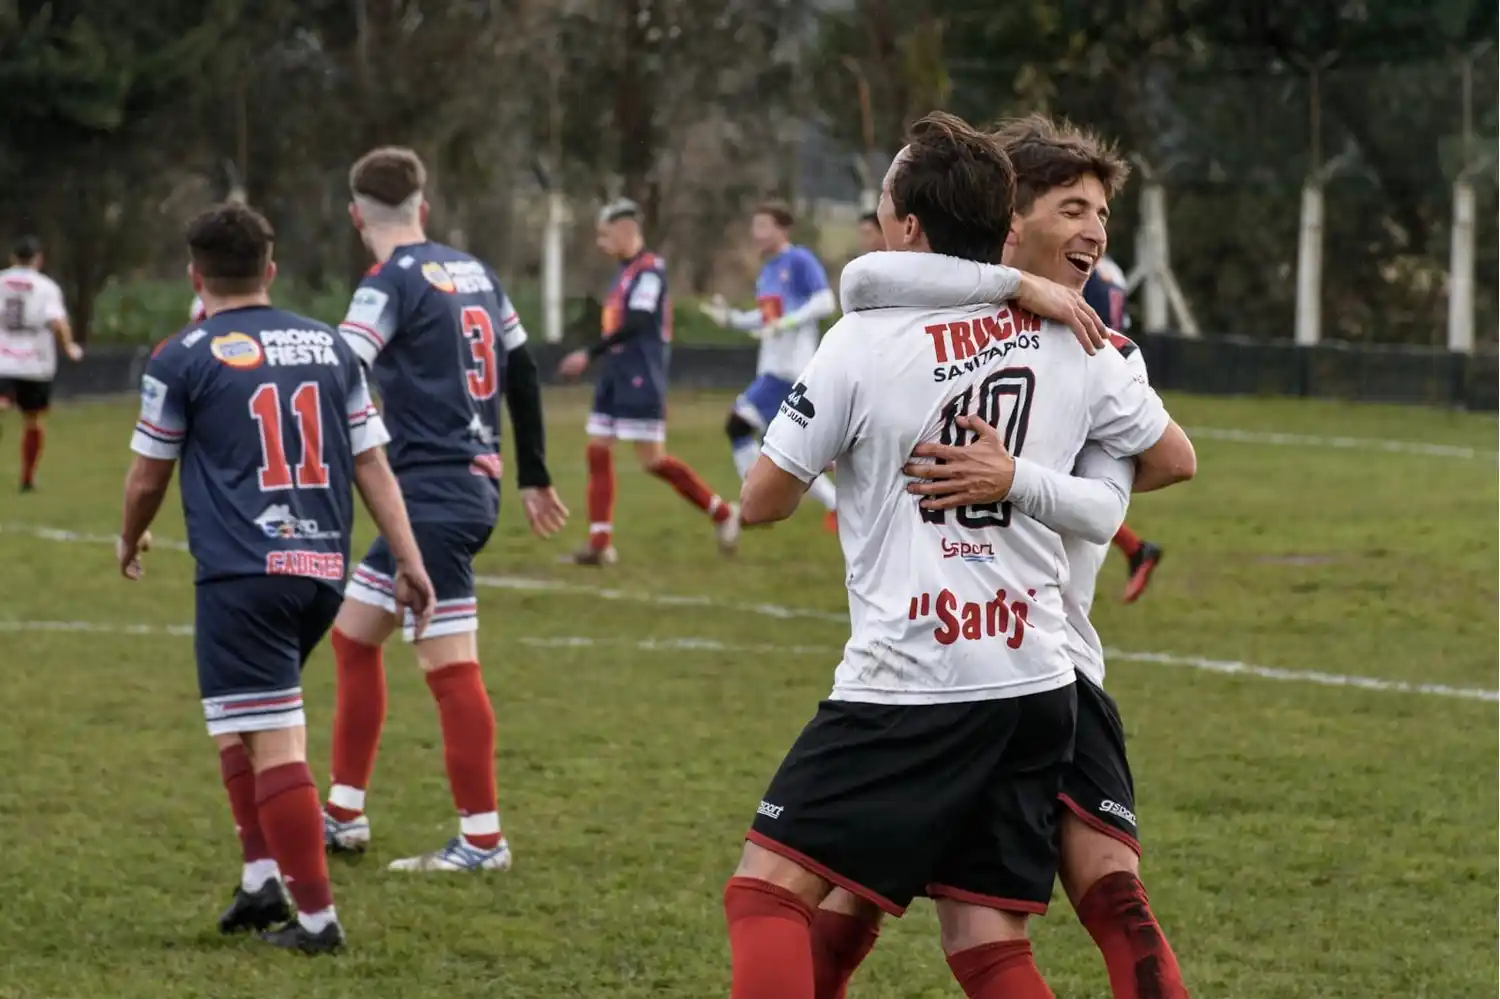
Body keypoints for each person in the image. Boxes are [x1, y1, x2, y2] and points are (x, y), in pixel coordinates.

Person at [722, 111, 1195, 999]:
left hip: (931, 671)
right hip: (1037, 678)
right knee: (979, 933)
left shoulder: (871, 339)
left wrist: (1014, 475)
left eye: (1100, 210)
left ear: (906, 223)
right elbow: (1163, 463)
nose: (1092, 227)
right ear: (1008, 221)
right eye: (1072, 206)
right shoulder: (1080, 341)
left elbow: (764, 502)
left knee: (769, 892)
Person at [117, 202, 435, 954]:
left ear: (195, 275)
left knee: (276, 736)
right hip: (320, 569)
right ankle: (260, 877)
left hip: (242, 571)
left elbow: (145, 476)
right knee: (240, 720)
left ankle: (318, 920)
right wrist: (409, 556)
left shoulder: (180, 355)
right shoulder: (332, 347)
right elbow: (370, 462)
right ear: (271, 268)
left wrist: (130, 537)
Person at [322, 146, 568, 872]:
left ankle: (483, 839)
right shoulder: (475, 272)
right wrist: (533, 473)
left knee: (450, 666)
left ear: (354, 215)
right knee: (353, 634)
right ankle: (343, 812)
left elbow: (344, 362)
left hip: (430, 494)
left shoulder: (387, 280)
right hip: (467, 482)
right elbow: (521, 365)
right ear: (421, 208)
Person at [557, 198, 739, 564]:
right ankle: (599, 543)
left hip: (640, 376)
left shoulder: (649, 272)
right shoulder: (625, 273)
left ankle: (722, 513)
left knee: (652, 460)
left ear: (627, 229)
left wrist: (588, 353)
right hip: (615, 373)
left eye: (606, 234)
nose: (600, 242)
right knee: (597, 449)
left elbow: (638, 322)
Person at [700, 201, 840, 531]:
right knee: (786, 447)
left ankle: (755, 504)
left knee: (737, 425)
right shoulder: (767, 272)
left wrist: (787, 322)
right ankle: (835, 504)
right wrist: (732, 319)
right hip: (773, 366)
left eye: (764, 225)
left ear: (782, 228)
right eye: (755, 226)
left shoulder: (800, 261)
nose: (757, 233)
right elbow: (767, 320)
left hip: (790, 369)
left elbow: (825, 302)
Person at [1083, 254, 1164, 602]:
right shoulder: (1113, 270)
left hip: (1087, 369)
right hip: (1114, 373)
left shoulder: (1069, 266)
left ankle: (1137, 549)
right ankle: (1135, 548)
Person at [0, 235, 83, 491]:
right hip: (34, 363)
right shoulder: (45, 287)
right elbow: (57, 322)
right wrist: (69, 347)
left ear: (13, 257)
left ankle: (3, 401)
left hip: (2, 358)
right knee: (33, 419)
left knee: (3, 402)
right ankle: (27, 477)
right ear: (38, 259)